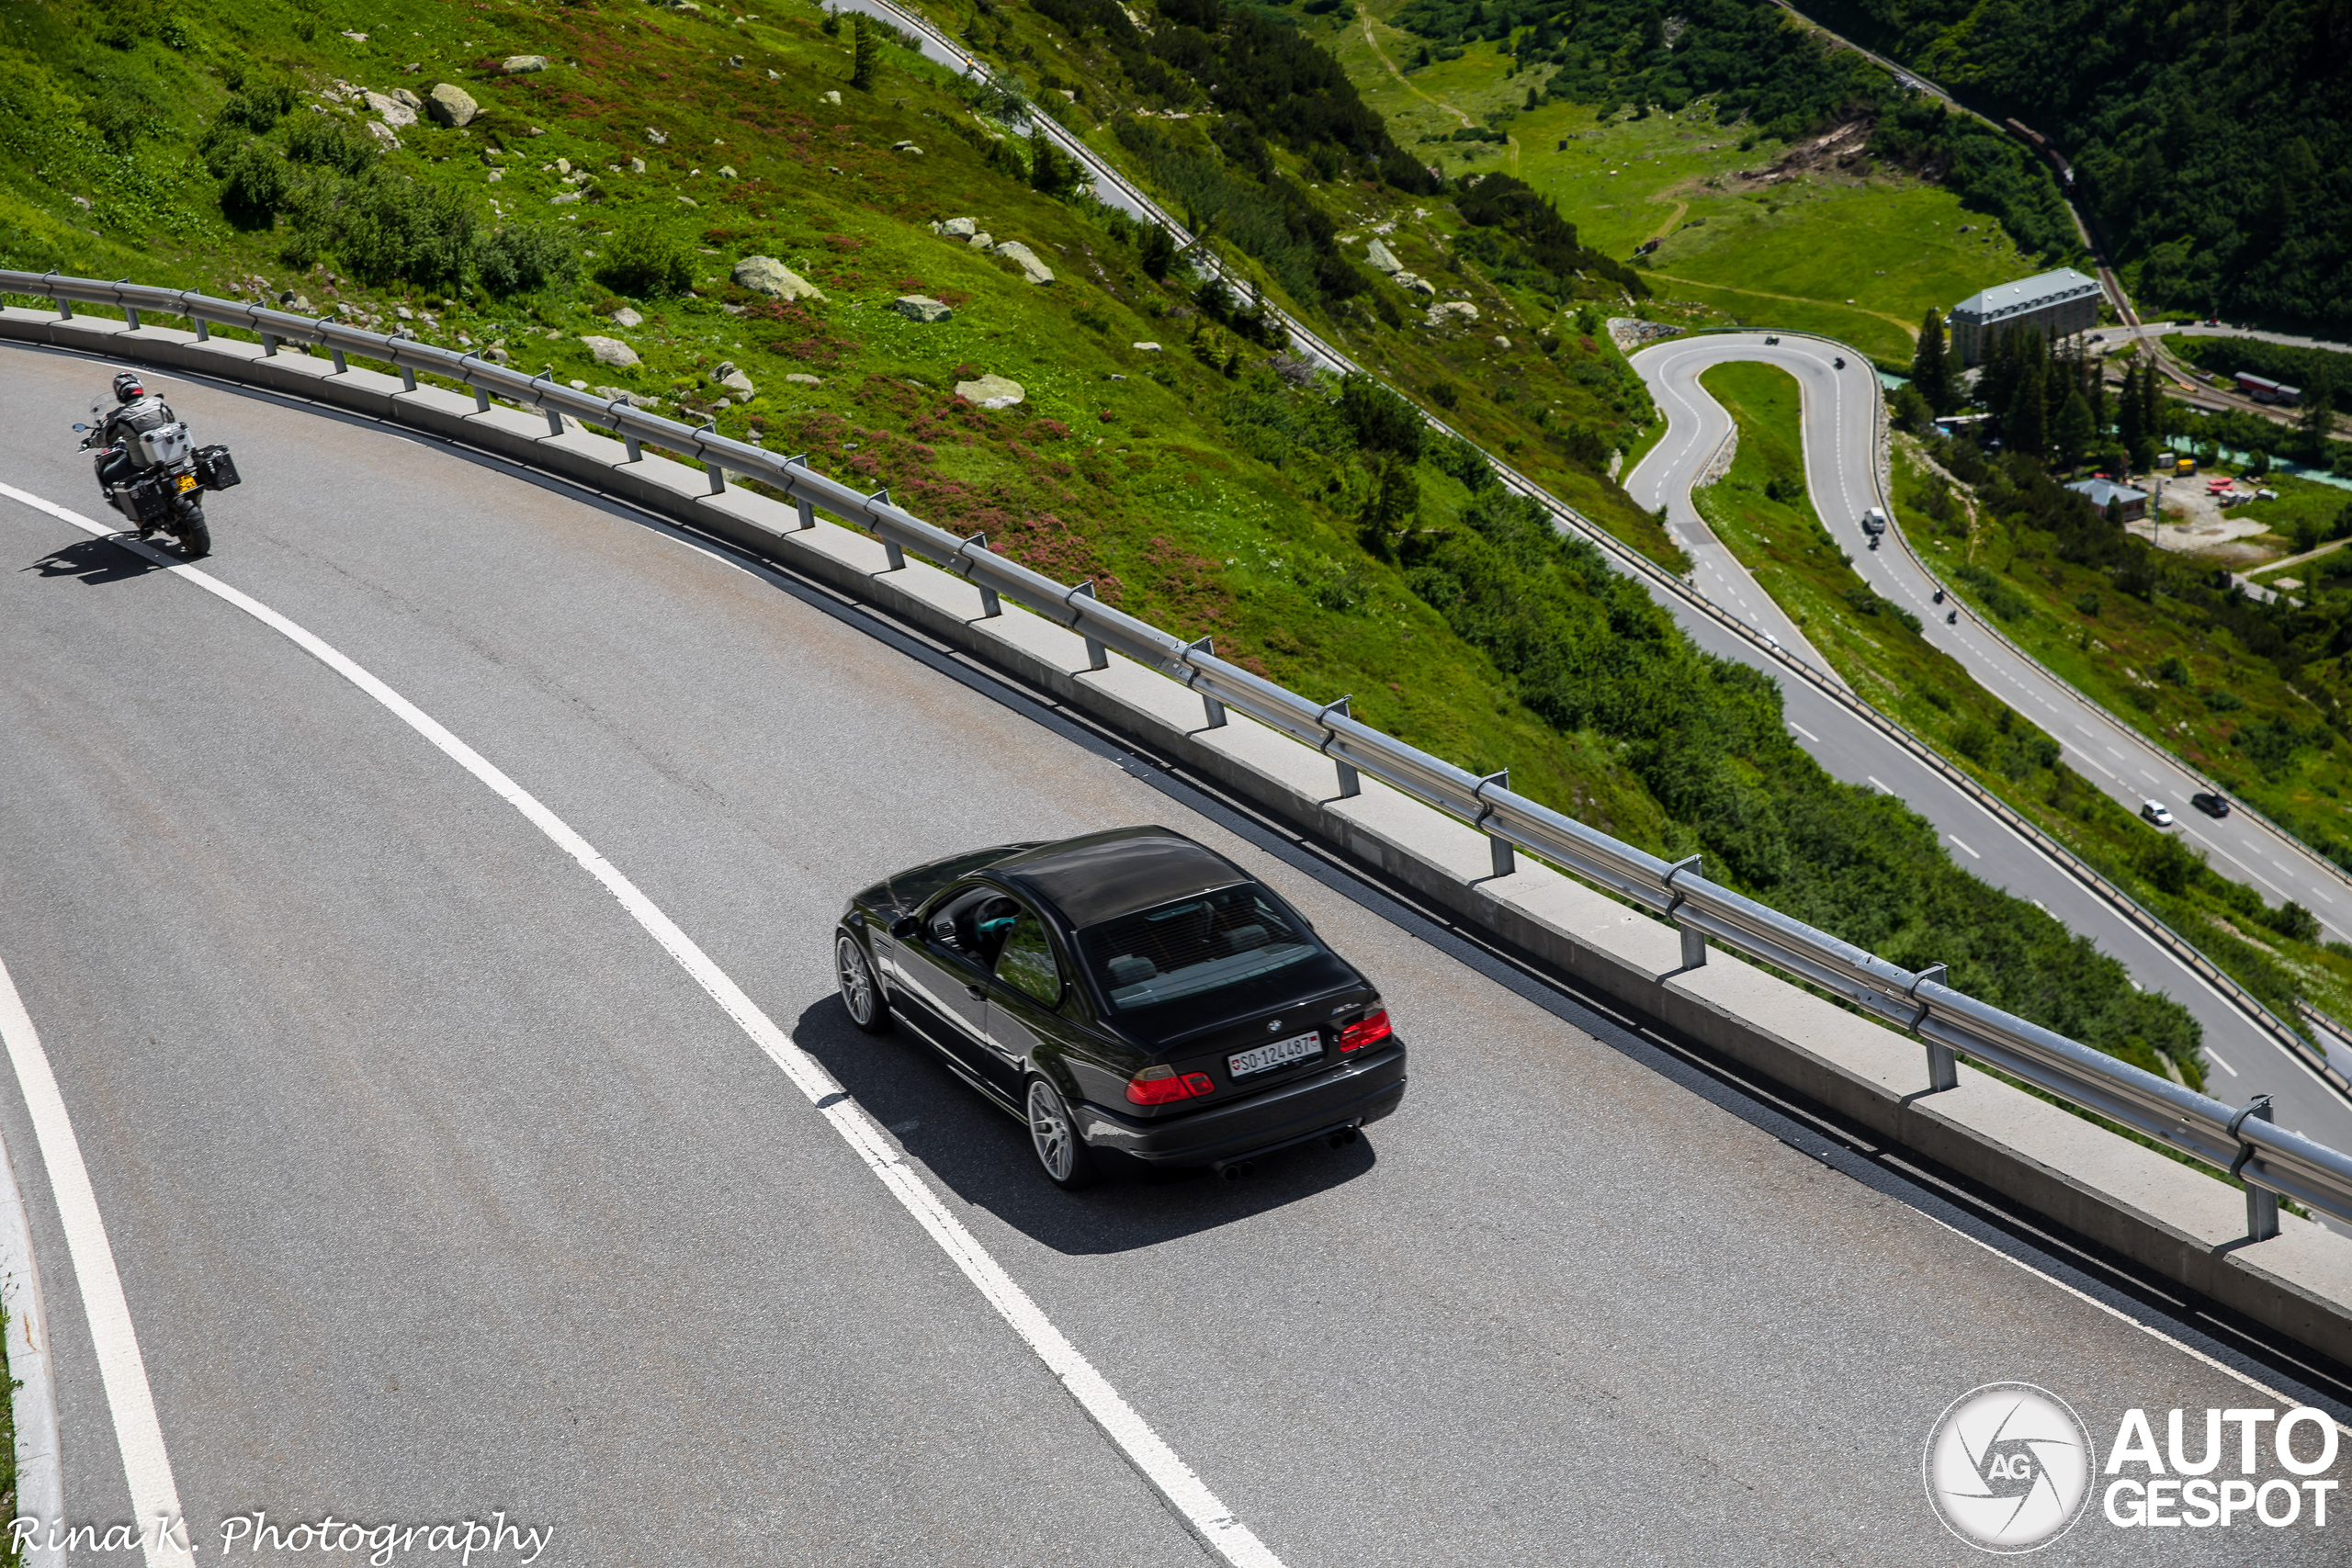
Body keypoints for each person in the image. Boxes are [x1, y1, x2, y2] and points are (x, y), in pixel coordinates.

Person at [89, 372, 183, 501]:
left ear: (119, 393)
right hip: (171, 455)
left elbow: (104, 440)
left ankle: (141, 514)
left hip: (143, 464)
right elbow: (172, 423)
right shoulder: (159, 403)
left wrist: (90, 442)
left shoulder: (119, 417)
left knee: (108, 475)